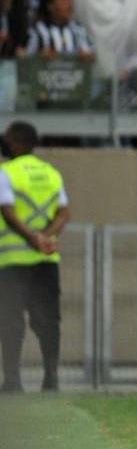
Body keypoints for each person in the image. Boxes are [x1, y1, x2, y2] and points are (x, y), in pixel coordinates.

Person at [0, 121, 70, 392]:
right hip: (46, 261)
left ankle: (12, 380)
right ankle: (51, 377)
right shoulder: (51, 173)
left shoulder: (6, 173)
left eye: (6, 138)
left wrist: (33, 238)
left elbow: (8, 212)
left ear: (17, 142)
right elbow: (64, 214)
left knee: (10, 320)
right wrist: (46, 237)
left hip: (12, 262)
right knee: (49, 320)